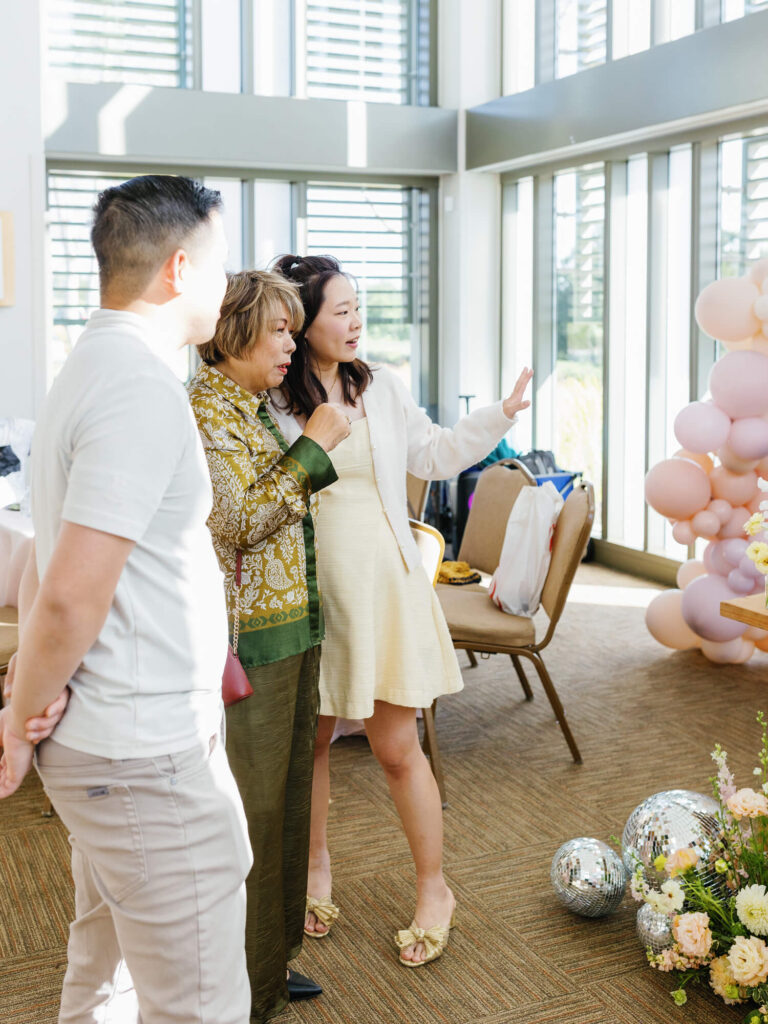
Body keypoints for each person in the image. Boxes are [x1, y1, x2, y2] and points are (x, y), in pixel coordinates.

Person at [0, 174, 253, 1024]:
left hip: (120, 742)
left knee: (105, 974)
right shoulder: (138, 386)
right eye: (220, 265)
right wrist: (19, 714)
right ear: (179, 269)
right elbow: (70, 596)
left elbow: (44, 552)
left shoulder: (92, 365)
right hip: (141, 753)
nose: (229, 284)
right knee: (197, 1005)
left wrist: (31, 699)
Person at [271, 253, 533, 968]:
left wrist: (500, 417)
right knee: (312, 746)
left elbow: (437, 452)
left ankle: (434, 888)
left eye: (359, 308)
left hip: (382, 587)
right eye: (341, 311)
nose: (357, 323)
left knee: (394, 747)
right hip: (308, 594)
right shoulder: (270, 397)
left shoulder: (378, 387)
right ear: (299, 323)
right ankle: (315, 871)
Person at [187, 269, 350, 1022]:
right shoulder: (204, 411)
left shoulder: (249, 408)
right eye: (279, 330)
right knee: (251, 822)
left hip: (291, 630)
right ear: (234, 332)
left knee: (286, 808)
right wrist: (314, 448)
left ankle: (275, 963)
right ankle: (246, 993)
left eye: (294, 328)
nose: (292, 343)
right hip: (247, 641)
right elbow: (239, 521)